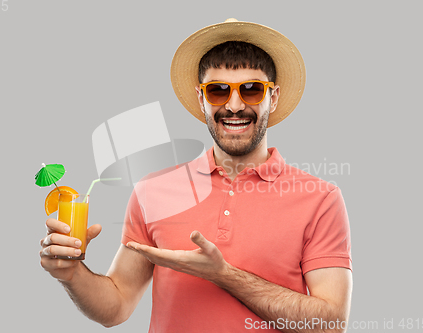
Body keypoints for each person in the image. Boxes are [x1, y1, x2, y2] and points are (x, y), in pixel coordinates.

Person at [40, 19, 352, 332]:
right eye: (218, 91)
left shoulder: (320, 198)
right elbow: (117, 306)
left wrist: (223, 275)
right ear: (201, 98)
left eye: (252, 90)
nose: (234, 105)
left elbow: (331, 324)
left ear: (273, 97)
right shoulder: (153, 190)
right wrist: (71, 274)